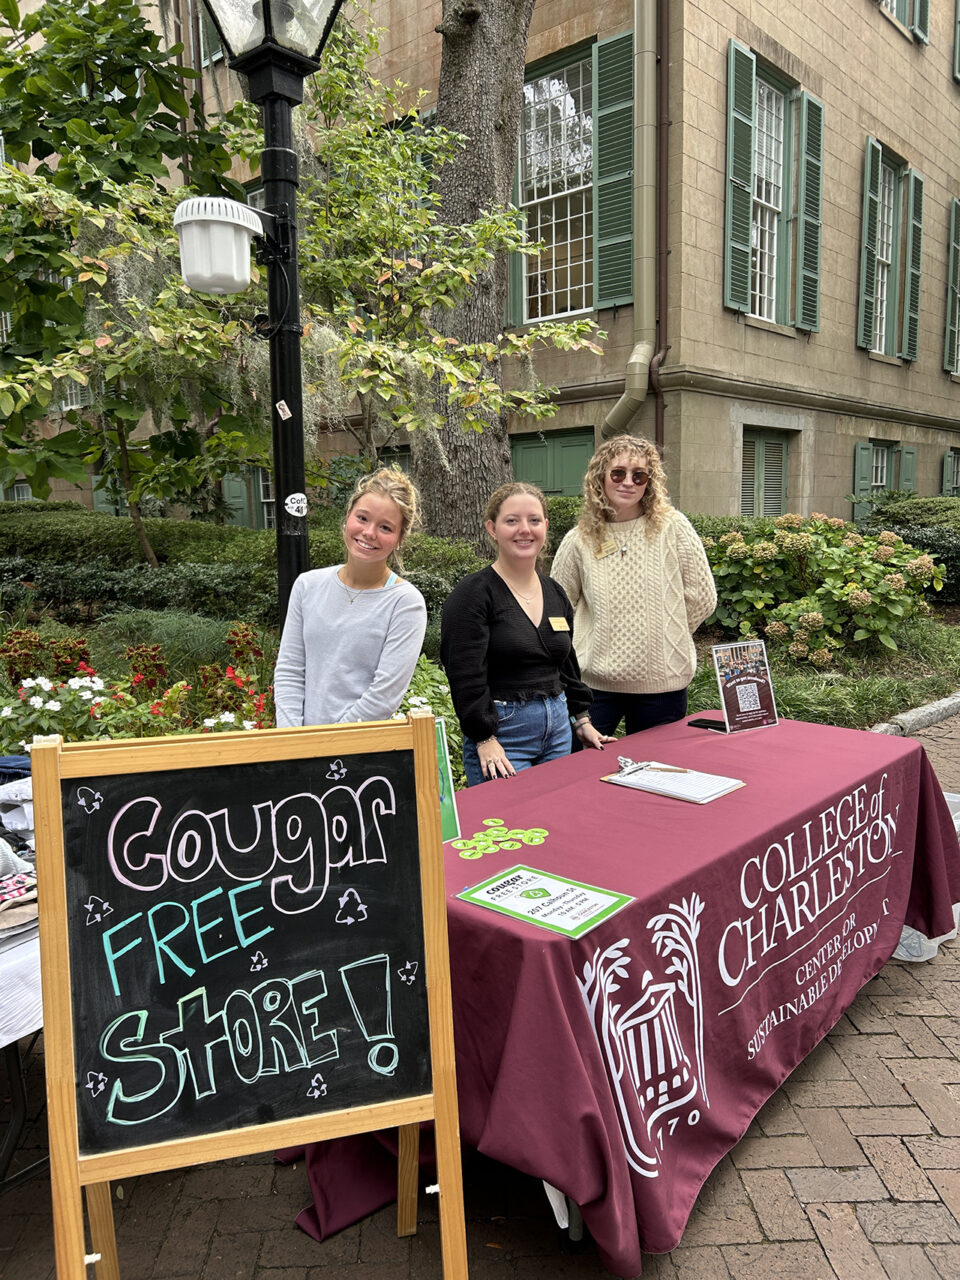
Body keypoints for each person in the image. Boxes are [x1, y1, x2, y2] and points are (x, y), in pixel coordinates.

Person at [441, 481, 612, 785]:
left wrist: (581, 718)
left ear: (545, 526)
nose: (525, 529)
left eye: (534, 520)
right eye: (512, 521)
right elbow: (465, 674)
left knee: (555, 820)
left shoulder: (555, 592)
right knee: (507, 828)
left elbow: (566, 662)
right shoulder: (473, 595)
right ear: (492, 529)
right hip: (503, 735)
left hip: (558, 730)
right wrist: (483, 738)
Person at [551, 435, 717, 737]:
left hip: (662, 684)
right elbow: (557, 608)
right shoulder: (578, 539)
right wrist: (587, 642)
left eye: (639, 475)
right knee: (583, 774)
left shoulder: (674, 527)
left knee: (657, 776)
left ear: (649, 482)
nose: (628, 482)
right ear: (601, 477)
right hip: (593, 686)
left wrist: (666, 634)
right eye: (618, 473)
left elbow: (703, 597)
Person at [273, 468, 427, 727]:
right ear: (347, 517)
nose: (369, 532)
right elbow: (290, 671)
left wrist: (331, 744)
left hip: (360, 753)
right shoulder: (307, 586)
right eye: (363, 518)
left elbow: (384, 696)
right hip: (300, 749)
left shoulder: (406, 603)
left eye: (386, 527)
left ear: (400, 538)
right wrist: (293, 744)